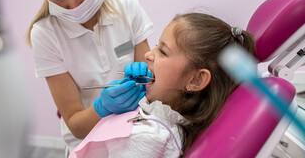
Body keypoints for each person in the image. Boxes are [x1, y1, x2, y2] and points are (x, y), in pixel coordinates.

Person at [25, 0, 154, 155]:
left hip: (138, 134)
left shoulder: (127, 6)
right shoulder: (44, 34)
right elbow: (75, 124)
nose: (74, 4)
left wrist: (149, 80)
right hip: (89, 147)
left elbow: (154, 87)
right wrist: (102, 108)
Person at [69, 12, 255, 158]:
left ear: (196, 80)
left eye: (163, 52)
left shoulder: (147, 138)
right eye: (157, 46)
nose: (148, 55)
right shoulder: (158, 117)